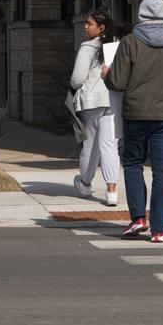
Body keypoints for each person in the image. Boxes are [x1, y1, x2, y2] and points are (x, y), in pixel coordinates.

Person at [104, 0, 163, 243]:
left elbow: (117, 82)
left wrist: (106, 74)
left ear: (140, 16)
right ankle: (160, 228)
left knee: (133, 164)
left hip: (135, 112)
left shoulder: (130, 42)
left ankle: (138, 218)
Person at [70, 11, 119, 207]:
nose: (84, 26)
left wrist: (75, 89)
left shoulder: (88, 47)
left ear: (101, 27)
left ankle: (86, 182)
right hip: (113, 98)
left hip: (92, 100)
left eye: (89, 23)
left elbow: (77, 79)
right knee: (110, 145)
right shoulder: (117, 45)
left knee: (89, 144)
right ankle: (112, 190)